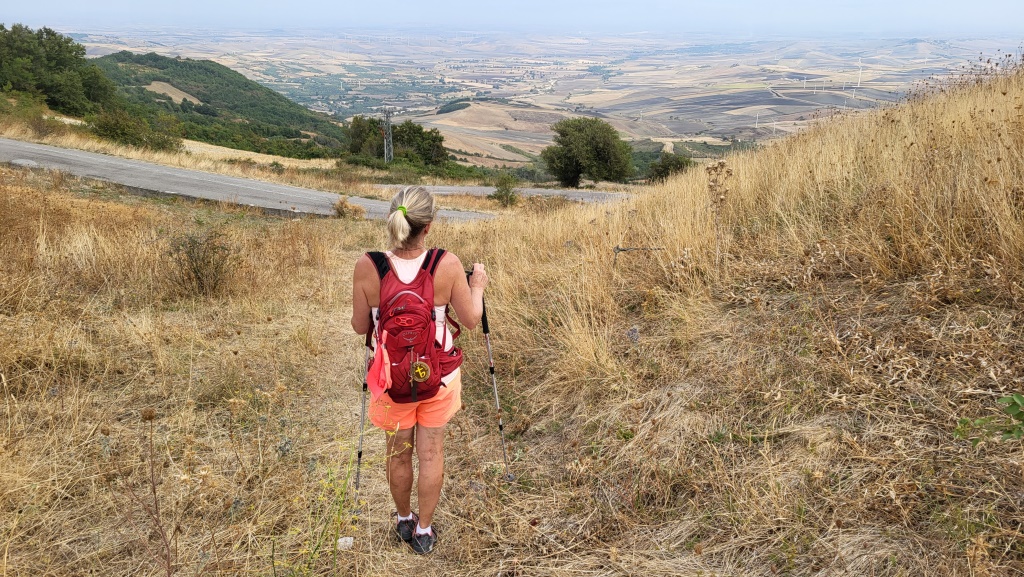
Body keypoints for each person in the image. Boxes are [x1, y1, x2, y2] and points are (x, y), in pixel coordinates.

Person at [350, 185, 488, 555]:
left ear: (392, 221)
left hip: (389, 380)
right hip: (439, 378)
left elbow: (360, 326)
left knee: (398, 454)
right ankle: (424, 531)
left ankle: (403, 519)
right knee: (430, 455)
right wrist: (477, 286)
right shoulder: (447, 264)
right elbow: (471, 320)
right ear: (428, 226)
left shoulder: (368, 266)